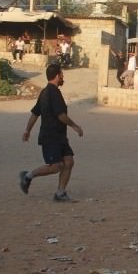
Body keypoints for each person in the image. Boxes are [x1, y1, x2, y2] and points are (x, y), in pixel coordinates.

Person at [19, 63, 84, 202]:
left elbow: (35, 114)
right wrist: (75, 126)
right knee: (56, 166)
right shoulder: (52, 93)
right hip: (50, 135)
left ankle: (60, 193)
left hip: (60, 136)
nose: (63, 77)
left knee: (69, 161)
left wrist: (27, 130)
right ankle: (27, 176)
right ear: (57, 76)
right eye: (62, 74)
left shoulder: (45, 92)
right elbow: (60, 115)